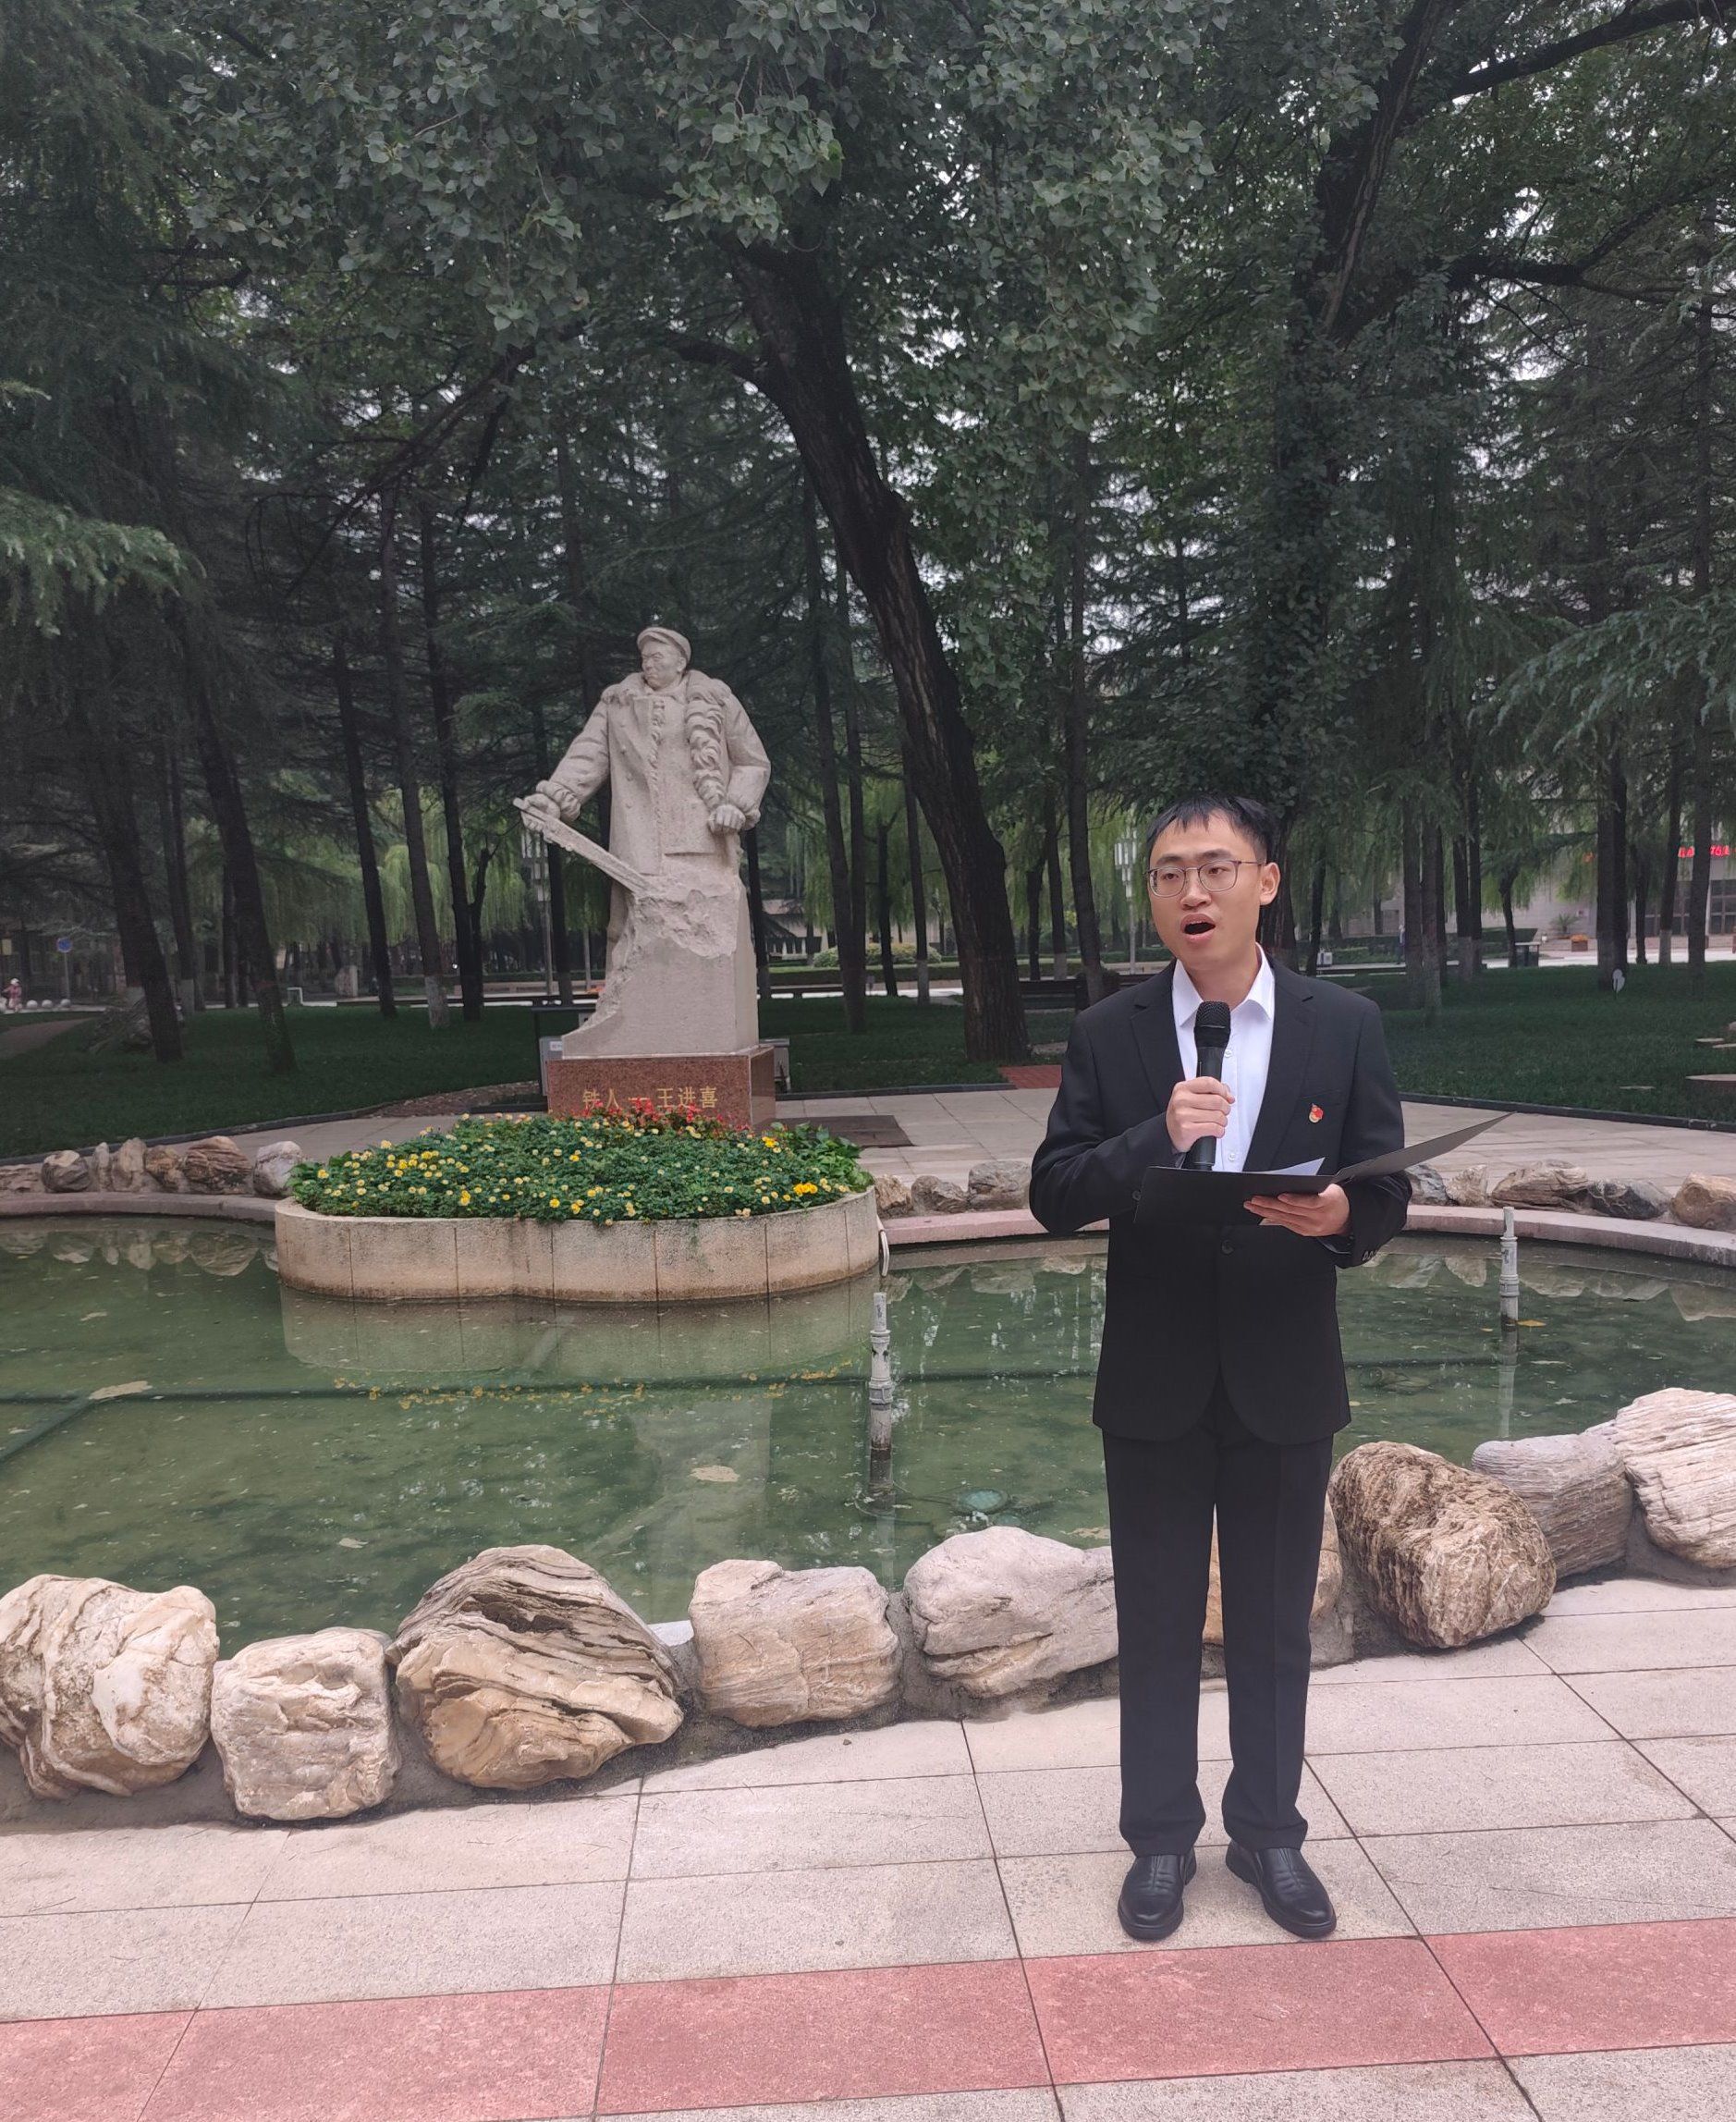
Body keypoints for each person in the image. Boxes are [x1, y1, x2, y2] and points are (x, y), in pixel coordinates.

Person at [1029, 792, 1410, 1944]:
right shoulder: (1110, 1033)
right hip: (1153, 1378)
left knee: (1275, 1627)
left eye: (1214, 868)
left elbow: (1386, 1185)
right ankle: (1159, 1840)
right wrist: (1159, 1135)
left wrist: (1344, 1216)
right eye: (1167, 874)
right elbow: (1054, 1193)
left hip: (1285, 1373)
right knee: (1153, 1621)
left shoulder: (1344, 1025)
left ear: (1265, 883)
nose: (1190, 893)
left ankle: (1269, 1832)